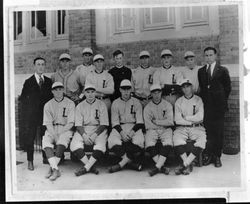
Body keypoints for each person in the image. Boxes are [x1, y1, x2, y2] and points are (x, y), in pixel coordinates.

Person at [198, 47, 231, 167]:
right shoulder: (201, 71)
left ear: (215, 56)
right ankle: (209, 155)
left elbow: (227, 88)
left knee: (218, 132)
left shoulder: (222, 70)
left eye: (210, 55)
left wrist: (220, 101)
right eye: (206, 55)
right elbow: (202, 88)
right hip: (207, 108)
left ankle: (217, 156)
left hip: (218, 108)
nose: (208, 57)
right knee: (209, 132)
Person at [20, 57, 53, 170]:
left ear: (45, 66)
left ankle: (45, 157)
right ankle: (30, 161)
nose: (40, 66)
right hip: (32, 116)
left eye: (43, 64)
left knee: (45, 136)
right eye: (38, 64)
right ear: (34, 66)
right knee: (30, 138)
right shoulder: (28, 82)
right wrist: (26, 115)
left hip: (45, 115)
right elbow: (23, 100)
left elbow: (51, 99)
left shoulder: (48, 81)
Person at [70, 84, 109, 176]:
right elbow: (78, 124)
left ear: (95, 92)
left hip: (98, 128)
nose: (90, 94)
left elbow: (104, 123)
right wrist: (84, 135)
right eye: (88, 92)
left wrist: (95, 135)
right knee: (74, 145)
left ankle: (86, 168)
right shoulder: (80, 106)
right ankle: (90, 166)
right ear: (84, 93)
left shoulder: (101, 104)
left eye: (92, 92)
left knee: (101, 146)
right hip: (84, 129)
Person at [108, 79, 144, 173]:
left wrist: (132, 133)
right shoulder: (115, 103)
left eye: (128, 89)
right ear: (120, 89)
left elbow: (139, 121)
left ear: (131, 89)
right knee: (111, 141)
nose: (126, 91)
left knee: (140, 142)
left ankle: (121, 164)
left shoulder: (136, 102)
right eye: (124, 89)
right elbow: (115, 122)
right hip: (120, 127)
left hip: (134, 126)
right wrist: (122, 133)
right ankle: (130, 162)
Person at [42, 82, 75, 181]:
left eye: (60, 89)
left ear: (63, 90)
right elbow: (48, 123)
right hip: (52, 128)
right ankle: (56, 169)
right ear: (52, 91)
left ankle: (52, 168)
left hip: (65, 128)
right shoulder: (48, 105)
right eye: (56, 89)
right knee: (46, 142)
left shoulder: (70, 103)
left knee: (62, 141)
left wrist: (60, 133)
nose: (58, 91)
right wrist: (54, 134)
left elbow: (71, 123)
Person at [173, 79, 206, 175]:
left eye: (188, 86)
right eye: (183, 87)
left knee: (202, 140)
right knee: (176, 139)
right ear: (182, 89)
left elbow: (200, 117)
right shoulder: (179, 101)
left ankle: (185, 164)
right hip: (182, 127)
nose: (186, 89)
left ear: (191, 87)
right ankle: (188, 163)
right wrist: (192, 120)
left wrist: (186, 117)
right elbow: (178, 120)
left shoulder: (198, 99)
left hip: (197, 127)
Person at [143, 84, 174, 176]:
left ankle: (157, 168)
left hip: (166, 129)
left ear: (161, 93)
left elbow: (170, 122)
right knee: (149, 143)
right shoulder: (148, 107)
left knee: (168, 142)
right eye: (154, 93)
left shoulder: (167, 105)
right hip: (152, 129)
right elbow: (148, 124)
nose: (156, 95)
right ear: (151, 94)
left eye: (158, 92)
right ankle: (162, 166)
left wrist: (157, 122)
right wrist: (162, 123)